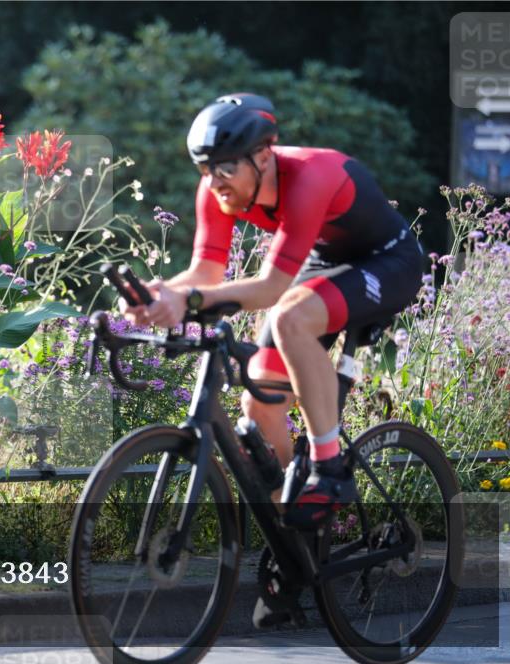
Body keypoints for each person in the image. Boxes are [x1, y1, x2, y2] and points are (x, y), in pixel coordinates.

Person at [121, 93, 424, 530]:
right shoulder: (216, 190)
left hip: (387, 261)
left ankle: (329, 469)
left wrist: (185, 303)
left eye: (226, 167)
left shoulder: (309, 175)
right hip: (325, 261)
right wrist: (160, 292)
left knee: (289, 317)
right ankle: (296, 537)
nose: (215, 180)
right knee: (260, 400)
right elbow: (205, 271)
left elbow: (271, 288)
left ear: (263, 156)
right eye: (205, 169)